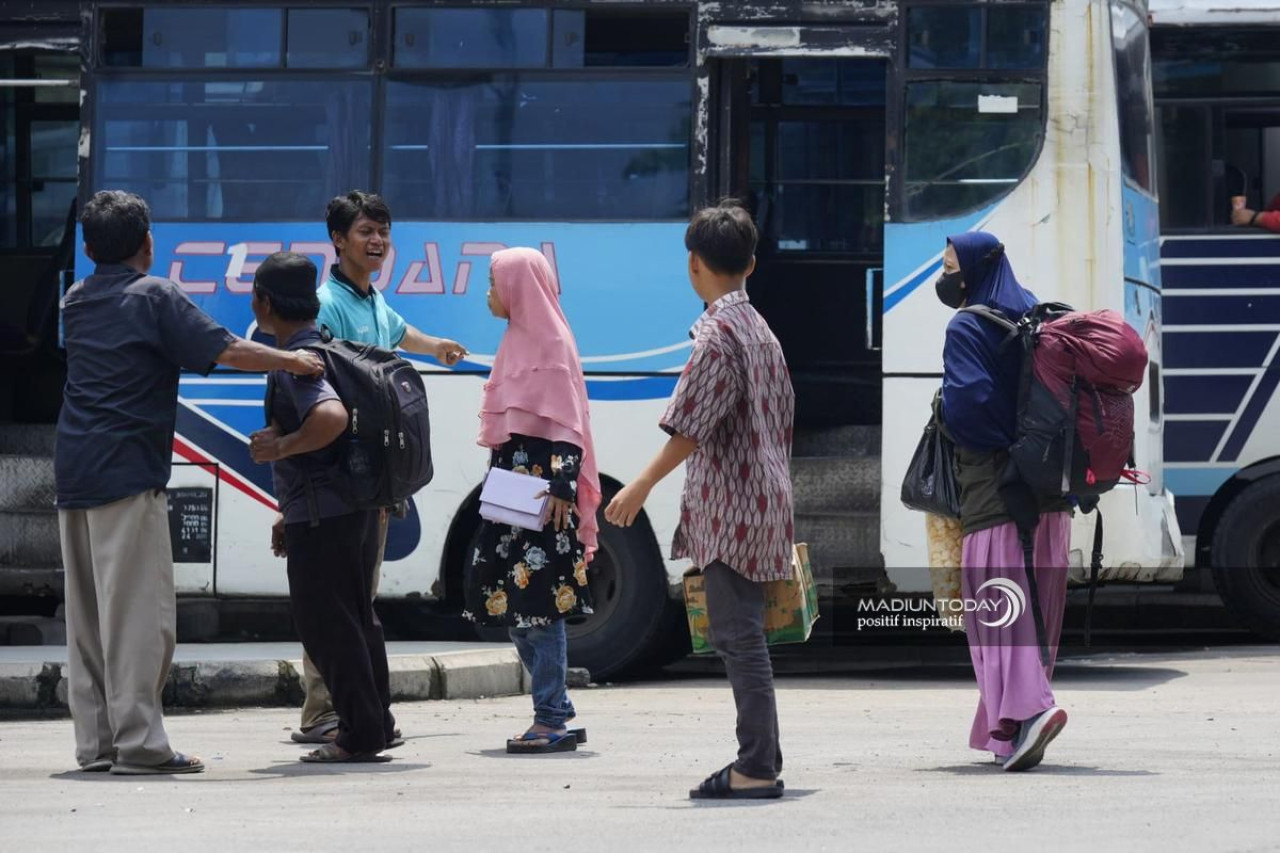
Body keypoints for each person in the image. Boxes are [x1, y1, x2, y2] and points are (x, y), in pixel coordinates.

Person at [57, 191, 323, 775]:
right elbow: (226, 349)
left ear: (89, 249)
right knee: (138, 619)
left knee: (89, 621)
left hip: (74, 469)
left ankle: (97, 745)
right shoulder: (153, 295)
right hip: (127, 472)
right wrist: (292, 361)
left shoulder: (75, 298)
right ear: (147, 243)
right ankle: (140, 746)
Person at [606, 201, 793, 800]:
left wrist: (640, 484)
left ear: (693, 264)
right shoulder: (760, 329)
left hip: (733, 507)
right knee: (745, 634)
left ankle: (756, 765)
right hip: (765, 498)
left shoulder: (717, 336)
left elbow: (689, 427)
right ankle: (763, 757)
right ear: (751, 264)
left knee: (739, 636)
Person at [290, 189, 468, 745]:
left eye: (384, 233)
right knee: (337, 599)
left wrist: (435, 346)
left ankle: (351, 708)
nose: (378, 242)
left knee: (358, 596)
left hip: (373, 475)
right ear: (338, 240)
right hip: (341, 474)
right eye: (366, 232)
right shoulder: (327, 305)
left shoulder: (371, 300)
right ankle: (322, 710)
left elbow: (399, 331)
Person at [248, 252, 398, 763]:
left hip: (322, 515)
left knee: (325, 623)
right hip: (352, 507)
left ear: (264, 303)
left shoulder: (295, 362)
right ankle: (378, 723)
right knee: (357, 617)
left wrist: (281, 447)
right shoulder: (331, 349)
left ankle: (359, 734)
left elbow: (330, 417)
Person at [934, 230, 1071, 772]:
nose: (944, 277)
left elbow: (969, 405)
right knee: (1034, 608)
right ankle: (1009, 730)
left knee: (995, 609)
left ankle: (1031, 710)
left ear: (973, 270)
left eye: (950, 267)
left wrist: (947, 415)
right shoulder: (1036, 315)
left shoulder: (968, 324)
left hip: (996, 490)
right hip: (1050, 493)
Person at [464, 247, 600, 754]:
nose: (489, 294)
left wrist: (564, 485)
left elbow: (569, 424)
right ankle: (555, 706)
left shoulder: (552, 341)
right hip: (511, 496)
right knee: (515, 607)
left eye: (494, 283)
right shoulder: (514, 341)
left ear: (518, 287)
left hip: (546, 498)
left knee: (540, 609)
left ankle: (550, 717)